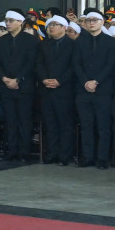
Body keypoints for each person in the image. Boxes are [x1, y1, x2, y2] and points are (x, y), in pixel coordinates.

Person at [72, 9, 115, 169]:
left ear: (102, 22)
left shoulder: (111, 42)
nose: (91, 23)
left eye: (95, 20)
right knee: (86, 125)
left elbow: (110, 65)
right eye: (88, 20)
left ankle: (102, 158)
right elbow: (76, 64)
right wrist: (86, 82)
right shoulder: (80, 41)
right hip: (83, 90)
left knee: (103, 126)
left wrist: (96, 81)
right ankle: (88, 156)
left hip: (103, 90)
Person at [0, 9, 39, 161]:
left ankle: (24, 151)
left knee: (24, 120)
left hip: (24, 87)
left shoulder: (31, 40)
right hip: (6, 87)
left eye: (11, 21)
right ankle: (11, 149)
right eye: (6, 21)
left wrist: (18, 79)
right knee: (10, 120)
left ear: (20, 22)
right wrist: (4, 78)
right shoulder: (1, 41)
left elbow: (31, 63)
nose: (7, 24)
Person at [36, 15, 76, 166]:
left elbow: (73, 67)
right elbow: (38, 64)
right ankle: (51, 154)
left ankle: (64, 156)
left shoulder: (72, 45)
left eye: (55, 24)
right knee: (50, 124)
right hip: (46, 89)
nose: (51, 27)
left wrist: (60, 81)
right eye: (49, 24)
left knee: (65, 124)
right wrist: (44, 79)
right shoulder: (44, 44)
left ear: (64, 27)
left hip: (64, 90)